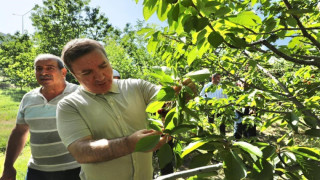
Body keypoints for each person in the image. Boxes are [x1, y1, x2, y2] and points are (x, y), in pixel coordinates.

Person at [57, 38, 191, 180]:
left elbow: (166, 100)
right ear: (74, 74)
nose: (100, 76)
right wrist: (129, 144)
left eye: (103, 66)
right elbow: (81, 151)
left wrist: (181, 92)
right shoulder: (69, 105)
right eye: (87, 73)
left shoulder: (137, 87)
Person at [0, 54, 80, 180]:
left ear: (63, 72)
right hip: (37, 171)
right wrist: (8, 166)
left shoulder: (79, 94)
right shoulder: (28, 98)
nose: (43, 72)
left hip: (75, 170)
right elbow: (19, 132)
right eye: (39, 68)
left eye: (50, 68)